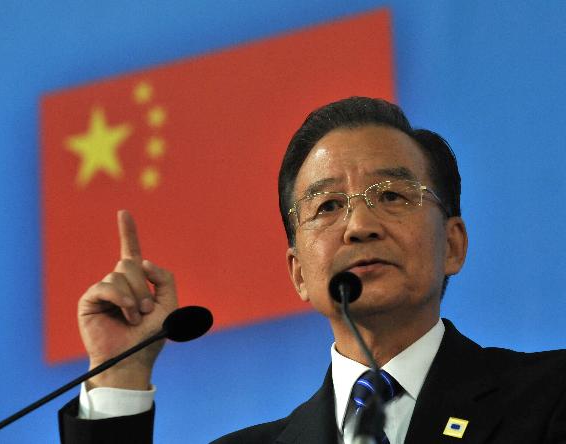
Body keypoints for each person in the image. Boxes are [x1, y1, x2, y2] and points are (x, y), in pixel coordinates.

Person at [59, 97, 566, 443]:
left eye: (392, 196)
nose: (360, 226)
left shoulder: (549, 398)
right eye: (328, 206)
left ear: (452, 245)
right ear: (298, 272)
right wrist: (120, 376)